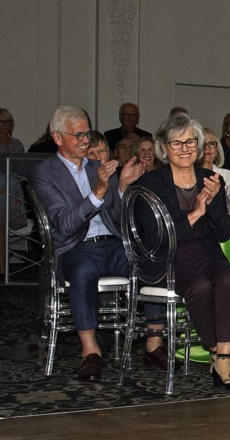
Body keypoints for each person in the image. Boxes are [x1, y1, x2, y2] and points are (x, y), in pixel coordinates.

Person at [29, 105, 160, 379]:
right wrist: (99, 192)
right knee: (84, 271)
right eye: (78, 135)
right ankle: (90, 350)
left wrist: (121, 187)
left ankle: (153, 343)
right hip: (74, 248)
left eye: (87, 133)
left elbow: (115, 215)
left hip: (111, 243)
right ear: (57, 138)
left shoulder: (96, 168)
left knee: (149, 261)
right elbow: (64, 224)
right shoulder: (45, 174)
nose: (85, 140)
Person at [138, 113, 230, 389]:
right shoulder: (151, 184)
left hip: (206, 253)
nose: (185, 149)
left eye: (190, 142)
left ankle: (223, 356)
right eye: (177, 143)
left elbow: (223, 233)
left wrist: (214, 203)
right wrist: (196, 213)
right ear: (163, 148)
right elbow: (156, 238)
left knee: (229, 278)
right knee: (199, 287)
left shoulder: (211, 178)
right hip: (167, 258)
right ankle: (218, 356)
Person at [200, 127, 230, 207]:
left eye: (211, 144)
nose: (207, 148)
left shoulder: (229, 176)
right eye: (203, 144)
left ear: (216, 151)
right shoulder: (187, 176)